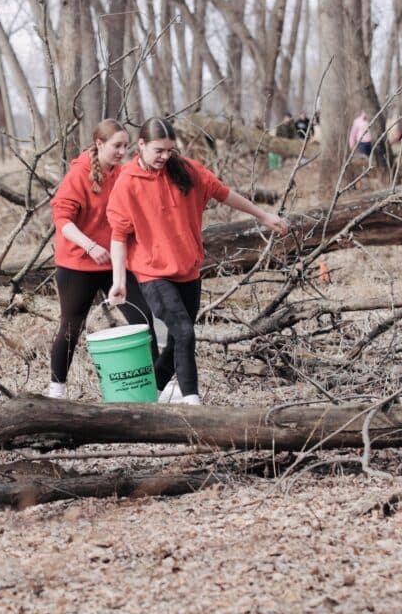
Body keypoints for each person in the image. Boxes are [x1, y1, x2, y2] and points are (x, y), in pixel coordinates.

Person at [106, 117, 288, 405]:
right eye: (158, 151)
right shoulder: (127, 183)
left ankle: (150, 393)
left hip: (189, 270)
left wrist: (263, 216)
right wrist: (118, 281)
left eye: (169, 150)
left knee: (179, 339)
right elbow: (118, 236)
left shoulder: (187, 171)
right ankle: (192, 400)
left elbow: (224, 194)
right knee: (183, 331)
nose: (165, 157)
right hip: (152, 273)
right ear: (140, 145)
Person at [47, 119, 157, 399]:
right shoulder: (78, 174)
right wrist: (90, 246)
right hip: (77, 265)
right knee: (71, 327)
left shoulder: (122, 174)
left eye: (125, 146)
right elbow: (62, 221)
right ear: (99, 144)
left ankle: (159, 385)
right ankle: (56, 391)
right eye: (116, 146)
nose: (122, 151)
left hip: (115, 263)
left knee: (142, 317)